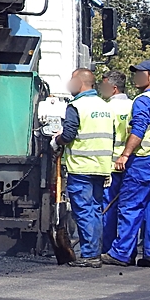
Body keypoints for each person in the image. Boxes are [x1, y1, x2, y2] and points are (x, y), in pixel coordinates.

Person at [101, 60, 150, 268]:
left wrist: (125, 155)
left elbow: (139, 129)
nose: (136, 78)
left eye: (139, 74)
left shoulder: (143, 100)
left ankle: (121, 253)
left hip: (147, 160)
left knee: (130, 206)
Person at [52, 68, 115, 268]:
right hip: (101, 166)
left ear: (80, 82)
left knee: (84, 211)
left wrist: (56, 141)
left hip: (82, 166)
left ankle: (89, 255)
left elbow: (69, 134)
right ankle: (94, 251)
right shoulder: (105, 106)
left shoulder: (77, 106)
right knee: (96, 210)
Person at [99, 70, 133, 255]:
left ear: (113, 88)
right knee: (129, 209)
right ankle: (128, 249)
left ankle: (107, 248)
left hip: (111, 165)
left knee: (108, 208)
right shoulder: (134, 105)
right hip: (131, 164)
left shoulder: (106, 109)